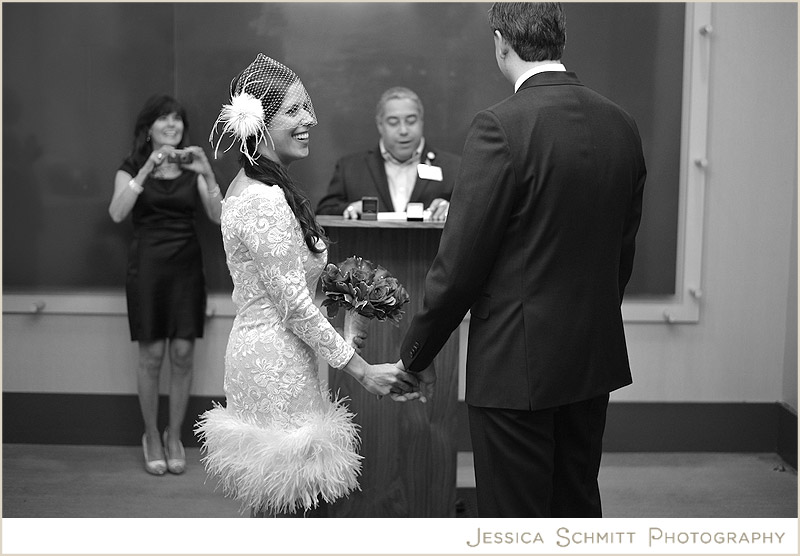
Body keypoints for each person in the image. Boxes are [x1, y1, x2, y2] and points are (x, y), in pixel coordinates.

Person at [397, 3, 647, 518]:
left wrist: (416, 356)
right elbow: (622, 253)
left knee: (516, 520)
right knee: (576, 505)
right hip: (591, 358)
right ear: (559, 40)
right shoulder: (621, 125)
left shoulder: (500, 127)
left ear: (500, 42)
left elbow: (459, 265)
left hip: (516, 366)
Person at [194, 54, 420, 518]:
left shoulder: (265, 186)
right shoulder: (261, 197)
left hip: (285, 353)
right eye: (294, 111)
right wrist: (362, 370)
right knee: (288, 507)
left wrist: (349, 316)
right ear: (259, 124)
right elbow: (294, 306)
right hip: (274, 362)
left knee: (292, 506)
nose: (309, 119)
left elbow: (294, 291)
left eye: (306, 108)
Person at [109, 94, 223, 476]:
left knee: (182, 353)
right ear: (149, 129)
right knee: (153, 354)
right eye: (163, 120)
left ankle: (174, 435)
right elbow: (117, 212)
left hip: (186, 266)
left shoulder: (193, 167)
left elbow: (220, 218)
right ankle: (151, 436)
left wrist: (206, 171)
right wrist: (146, 171)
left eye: (177, 120)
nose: (172, 126)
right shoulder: (130, 167)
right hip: (147, 267)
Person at [315, 86, 461, 221]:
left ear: (421, 121)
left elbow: (473, 218)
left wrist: (453, 210)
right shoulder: (350, 168)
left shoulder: (453, 168)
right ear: (380, 125)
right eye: (393, 122)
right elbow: (324, 213)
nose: (403, 130)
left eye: (411, 121)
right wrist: (349, 209)